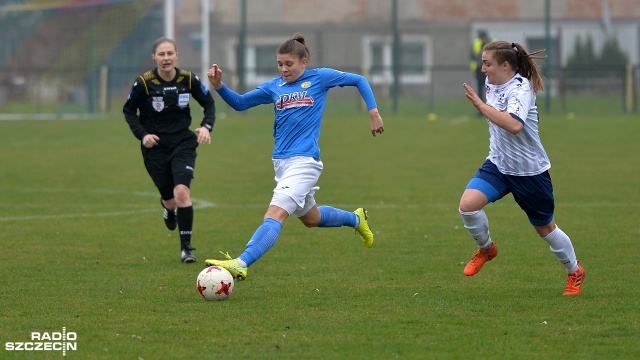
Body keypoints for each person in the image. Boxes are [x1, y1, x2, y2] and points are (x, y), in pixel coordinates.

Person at [204, 33, 384, 280]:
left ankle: (241, 262)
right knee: (312, 218)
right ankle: (356, 219)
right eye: (280, 64)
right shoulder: (273, 87)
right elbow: (240, 103)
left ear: (303, 61)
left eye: (289, 64)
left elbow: (359, 80)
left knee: (274, 214)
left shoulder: (319, 78)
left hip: (304, 162)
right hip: (281, 163)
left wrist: (373, 112)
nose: (284, 69)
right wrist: (219, 86)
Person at [460, 40, 585, 296]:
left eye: (487, 63)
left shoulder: (521, 89)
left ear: (505, 65)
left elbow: (515, 125)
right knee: (468, 206)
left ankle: (574, 271)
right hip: (498, 164)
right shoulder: (491, 82)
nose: (483, 69)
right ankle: (486, 249)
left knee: (546, 230)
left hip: (529, 172)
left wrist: (481, 107)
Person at [123, 37, 216, 263]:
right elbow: (128, 112)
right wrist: (144, 135)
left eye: (170, 54)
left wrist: (206, 126)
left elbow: (209, 104)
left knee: (182, 192)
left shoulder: (188, 79)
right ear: (154, 57)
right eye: (161, 54)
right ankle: (169, 209)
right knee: (169, 198)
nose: (166, 58)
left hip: (183, 143)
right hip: (155, 148)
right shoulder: (144, 83)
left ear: (176, 56)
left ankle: (186, 249)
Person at [470, 30, 491, 105]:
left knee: (490, 88)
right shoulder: (476, 43)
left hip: (490, 70)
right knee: (480, 89)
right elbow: (472, 55)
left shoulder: (492, 43)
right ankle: (481, 108)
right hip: (479, 70)